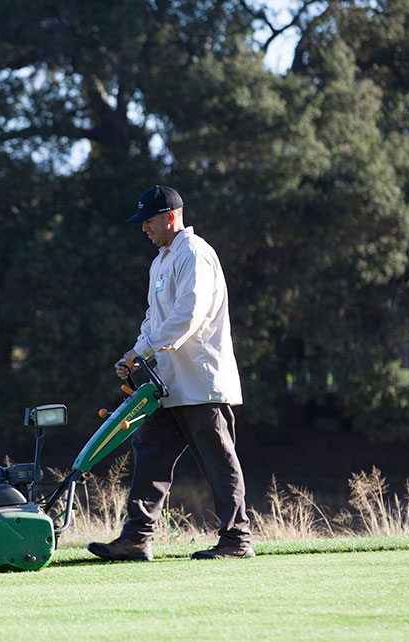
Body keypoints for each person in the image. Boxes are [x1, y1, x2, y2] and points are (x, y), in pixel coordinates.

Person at [88, 184, 253, 562]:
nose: (143, 228)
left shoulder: (195, 254)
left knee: (218, 460)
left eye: (148, 221)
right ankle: (136, 539)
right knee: (149, 454)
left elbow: (187, 316)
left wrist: (141, 350)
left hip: (201, 382)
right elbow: (154, 320)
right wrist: (132, 354)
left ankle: (237, 540)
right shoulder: (161, 260)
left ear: (170, 217)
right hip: (167, 384)